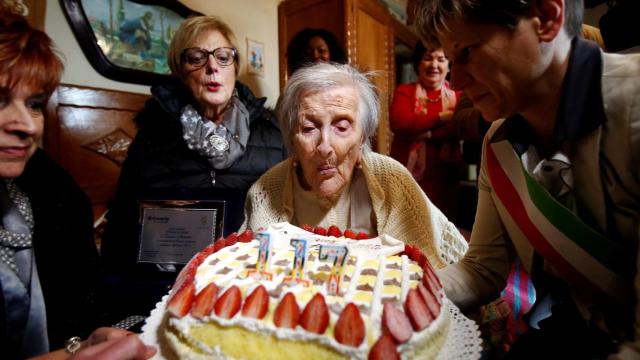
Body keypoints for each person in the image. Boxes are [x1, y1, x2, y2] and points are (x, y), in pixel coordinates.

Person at [415, 0, 640, 358]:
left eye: (467, 52)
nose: (455, 81)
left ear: (546, 18)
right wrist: (396, 292)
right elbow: (482, 270)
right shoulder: (498, 142)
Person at [101, 15, 287, 319]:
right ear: (179, 71)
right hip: (170, 292)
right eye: (197, 58)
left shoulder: (273, 134)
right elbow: (122, 224)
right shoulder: (152, 137)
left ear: (235, 67)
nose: (213, 67)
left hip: (249, 290)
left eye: (223, 57)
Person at [0, 11, 154, 359]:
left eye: (35, 104)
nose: (27, 125)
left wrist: (81, 346)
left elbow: (81, 310)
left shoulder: (54, 190)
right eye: (0, 100)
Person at [242, 62, 468, 267]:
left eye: (341, 128)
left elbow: (440, 264)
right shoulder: (266, 190)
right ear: (292, 137)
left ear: (362, 137)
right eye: (309, 128)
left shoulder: (390, 179)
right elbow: (250, 270)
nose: (325, 147)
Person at [389, 41, 465, 222]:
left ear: (449, 65)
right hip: (406, 178)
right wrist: (442, 117)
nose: (434, 65)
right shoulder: (404, 91)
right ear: (418, 64)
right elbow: (401, 123)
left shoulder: (460, 96)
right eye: (428, 58)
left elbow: (460, 128)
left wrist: (428, 133)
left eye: (441, 59)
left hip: (445, 179)